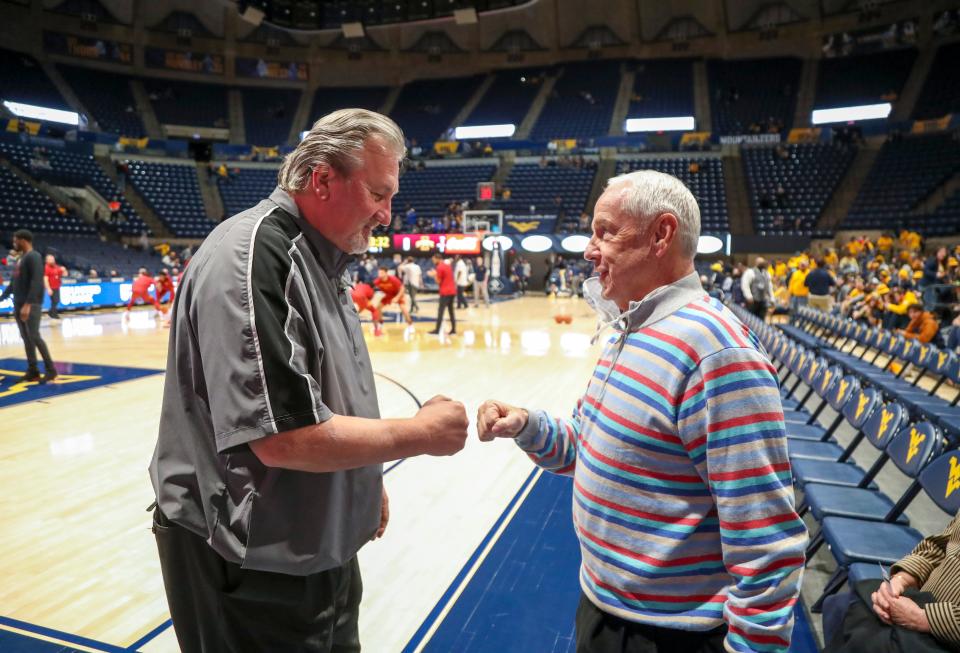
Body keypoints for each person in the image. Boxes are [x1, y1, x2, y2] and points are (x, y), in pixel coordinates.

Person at [149, 109, 470, 652]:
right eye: (378, 194)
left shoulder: (325, 256)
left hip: (306, 544)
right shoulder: (254, 258)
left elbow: (320, 391)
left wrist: (362, 478)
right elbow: (281, 437)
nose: (388, 215)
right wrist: (419, 434)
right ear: (322, 179)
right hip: (249, 562)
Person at [476, 170, 805, 653]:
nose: (590, 249)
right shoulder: (630, 329)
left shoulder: (716, 352)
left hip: (671, 636)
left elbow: (766, 538)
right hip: (604, 609)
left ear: (661, 235)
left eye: (605, 232)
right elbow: (585, 447)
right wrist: (527, 425)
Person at [823, 510, 960, 652]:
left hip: (946, 633)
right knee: (844, 606)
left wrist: (925, 619)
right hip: (923, 601)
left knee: (867, 639)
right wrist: (901, 580)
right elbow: (942, 545)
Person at [0, 230, 57, 383]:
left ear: (23, 240)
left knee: (34, 336)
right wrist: (1, 298)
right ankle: (33, 370)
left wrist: (28, 305)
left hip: (30, 305)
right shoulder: (22, 258)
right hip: (18, 304)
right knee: (26, 338)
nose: (14, 243)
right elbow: (13, 283)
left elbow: (37, 282)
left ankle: (51, 370)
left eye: (15, 240)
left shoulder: (34, 256)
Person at [372, 265, 413, 330]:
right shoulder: (377, 281)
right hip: (389, 295)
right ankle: (381, 323)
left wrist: (397, 297)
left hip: (398, 294)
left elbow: (402, 289)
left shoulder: (393, 279)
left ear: (386, 273)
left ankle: (410, 325)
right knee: (378, 308)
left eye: (381, 273)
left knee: (404, 309)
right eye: (379, 273)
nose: (380, 274)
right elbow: (370, 287)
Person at [428, 252, 456, 335]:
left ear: (437, 259)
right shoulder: (447, 266)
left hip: (445, 292)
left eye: (433, 260)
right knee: (451, 311)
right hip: (452, 291)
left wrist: (433, 275)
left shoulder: (439, 267)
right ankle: (453, 329)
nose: (433, 261)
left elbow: (438, 281)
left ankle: (437, 330)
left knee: (441, 311)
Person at [44, 253, 65, 320]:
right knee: (55, 300)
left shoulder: (56, 266)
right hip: (51, 287)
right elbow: (45, 279)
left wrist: (64, 270)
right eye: (51, 259)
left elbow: (64, 274)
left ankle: (51, 312)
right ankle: (53, 313)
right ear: (47, 260)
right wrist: (48, 288)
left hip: (57, 286)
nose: (53, 260)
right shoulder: (46, 268)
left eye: (53, 259)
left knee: (56, 300)